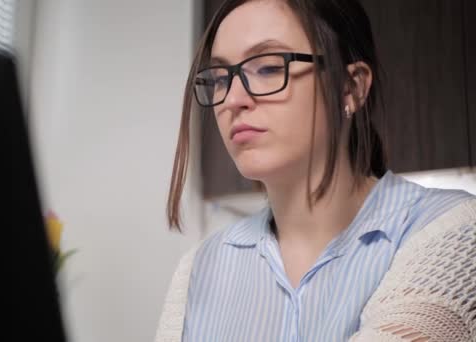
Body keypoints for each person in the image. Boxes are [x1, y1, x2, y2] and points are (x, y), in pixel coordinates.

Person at [156, 0, 476, 341]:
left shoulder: (454, 229)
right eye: (220, 78)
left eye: (268, 68)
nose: (233, 99)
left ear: (351, 88)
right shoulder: (200, 268)